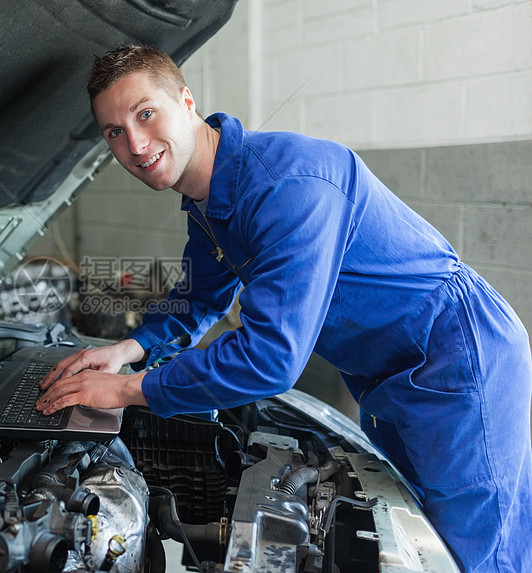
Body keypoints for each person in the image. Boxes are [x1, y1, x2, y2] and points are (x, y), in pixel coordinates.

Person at [35, 45, 532, 572]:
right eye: (114, 131)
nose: (134, 143)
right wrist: (126, 351)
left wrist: (131, 389)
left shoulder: (285, 185)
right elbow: (201, 298)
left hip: (456, 358)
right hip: (389, 375)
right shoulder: (208, 204)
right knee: (423, 543)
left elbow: (271, 358)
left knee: (480, 556)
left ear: (186, 100)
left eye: (145, 113)